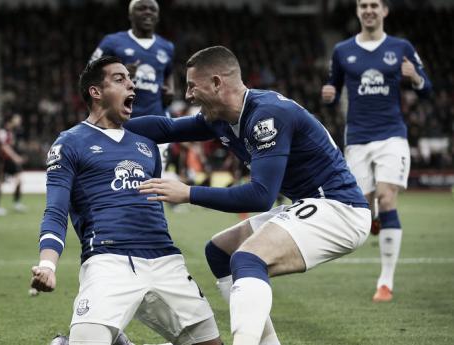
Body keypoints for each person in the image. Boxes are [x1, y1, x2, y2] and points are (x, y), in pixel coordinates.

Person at [124, 46, 371, 345]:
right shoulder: (221, 116)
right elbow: (166, 128)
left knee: (247, 257)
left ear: (217, 83)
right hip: (311, 204)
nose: (187, 95)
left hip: (340, 209)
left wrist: (188, 193)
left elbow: (260, 197)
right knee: (220, 252)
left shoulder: (267, 115)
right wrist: (101, 127)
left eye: (192, 86)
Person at [30, 56, 222, 345]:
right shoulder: (69, 143)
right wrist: (47, 265)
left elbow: (205, 125)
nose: (132, 84)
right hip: (109, 260)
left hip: (165, 259)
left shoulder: (145, 139)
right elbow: (56, 211)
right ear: (96, 92)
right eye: (120, 79)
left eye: (130, 79)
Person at [321, 0, 432, 302]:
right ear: (358, 11)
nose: (368, 9)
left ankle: (385, 282)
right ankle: (373, 219)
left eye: (374, 5)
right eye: (363, 5)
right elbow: (332, 90)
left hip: (391, 136)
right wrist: (329, 96)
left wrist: (416, 77)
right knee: (362, 210)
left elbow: (427, 89)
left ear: (384, 11)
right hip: (356, 138)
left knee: (387, 197)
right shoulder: (342, 50)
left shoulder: (401, 47)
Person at [89, 0, 174, 168]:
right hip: (122, 122)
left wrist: (170, 91)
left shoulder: (167, 47)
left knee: (154, 179)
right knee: (125, 173)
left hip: (156, 121)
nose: (147, 12)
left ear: (157, 16)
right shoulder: (112, 42)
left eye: (152, 9)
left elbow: (168, 76)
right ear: (130, 15)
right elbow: (89, 74)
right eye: (141, 8)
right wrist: (118, 74)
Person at [0, 113, 26, 212]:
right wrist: (15, 157)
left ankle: (16, 203)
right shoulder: (3, 131)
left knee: (19, 179)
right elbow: (4, 147)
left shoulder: (12, 131)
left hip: (10, 160)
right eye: (17, 119)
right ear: (11, 120)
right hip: (3, 160)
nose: (19, 121)